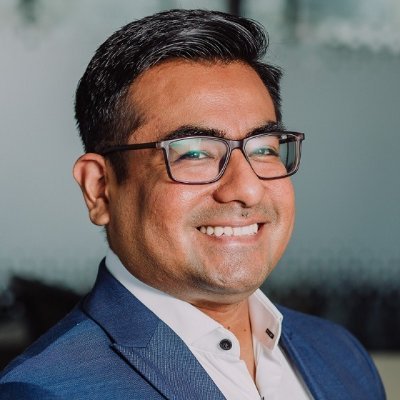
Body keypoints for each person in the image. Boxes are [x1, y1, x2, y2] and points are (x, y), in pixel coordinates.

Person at [0, 9, 385, 400]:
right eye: (195, 153)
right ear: (100, 189)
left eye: (264, 148)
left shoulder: (339, 355)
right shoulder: (48, 390)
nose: (247, 190)